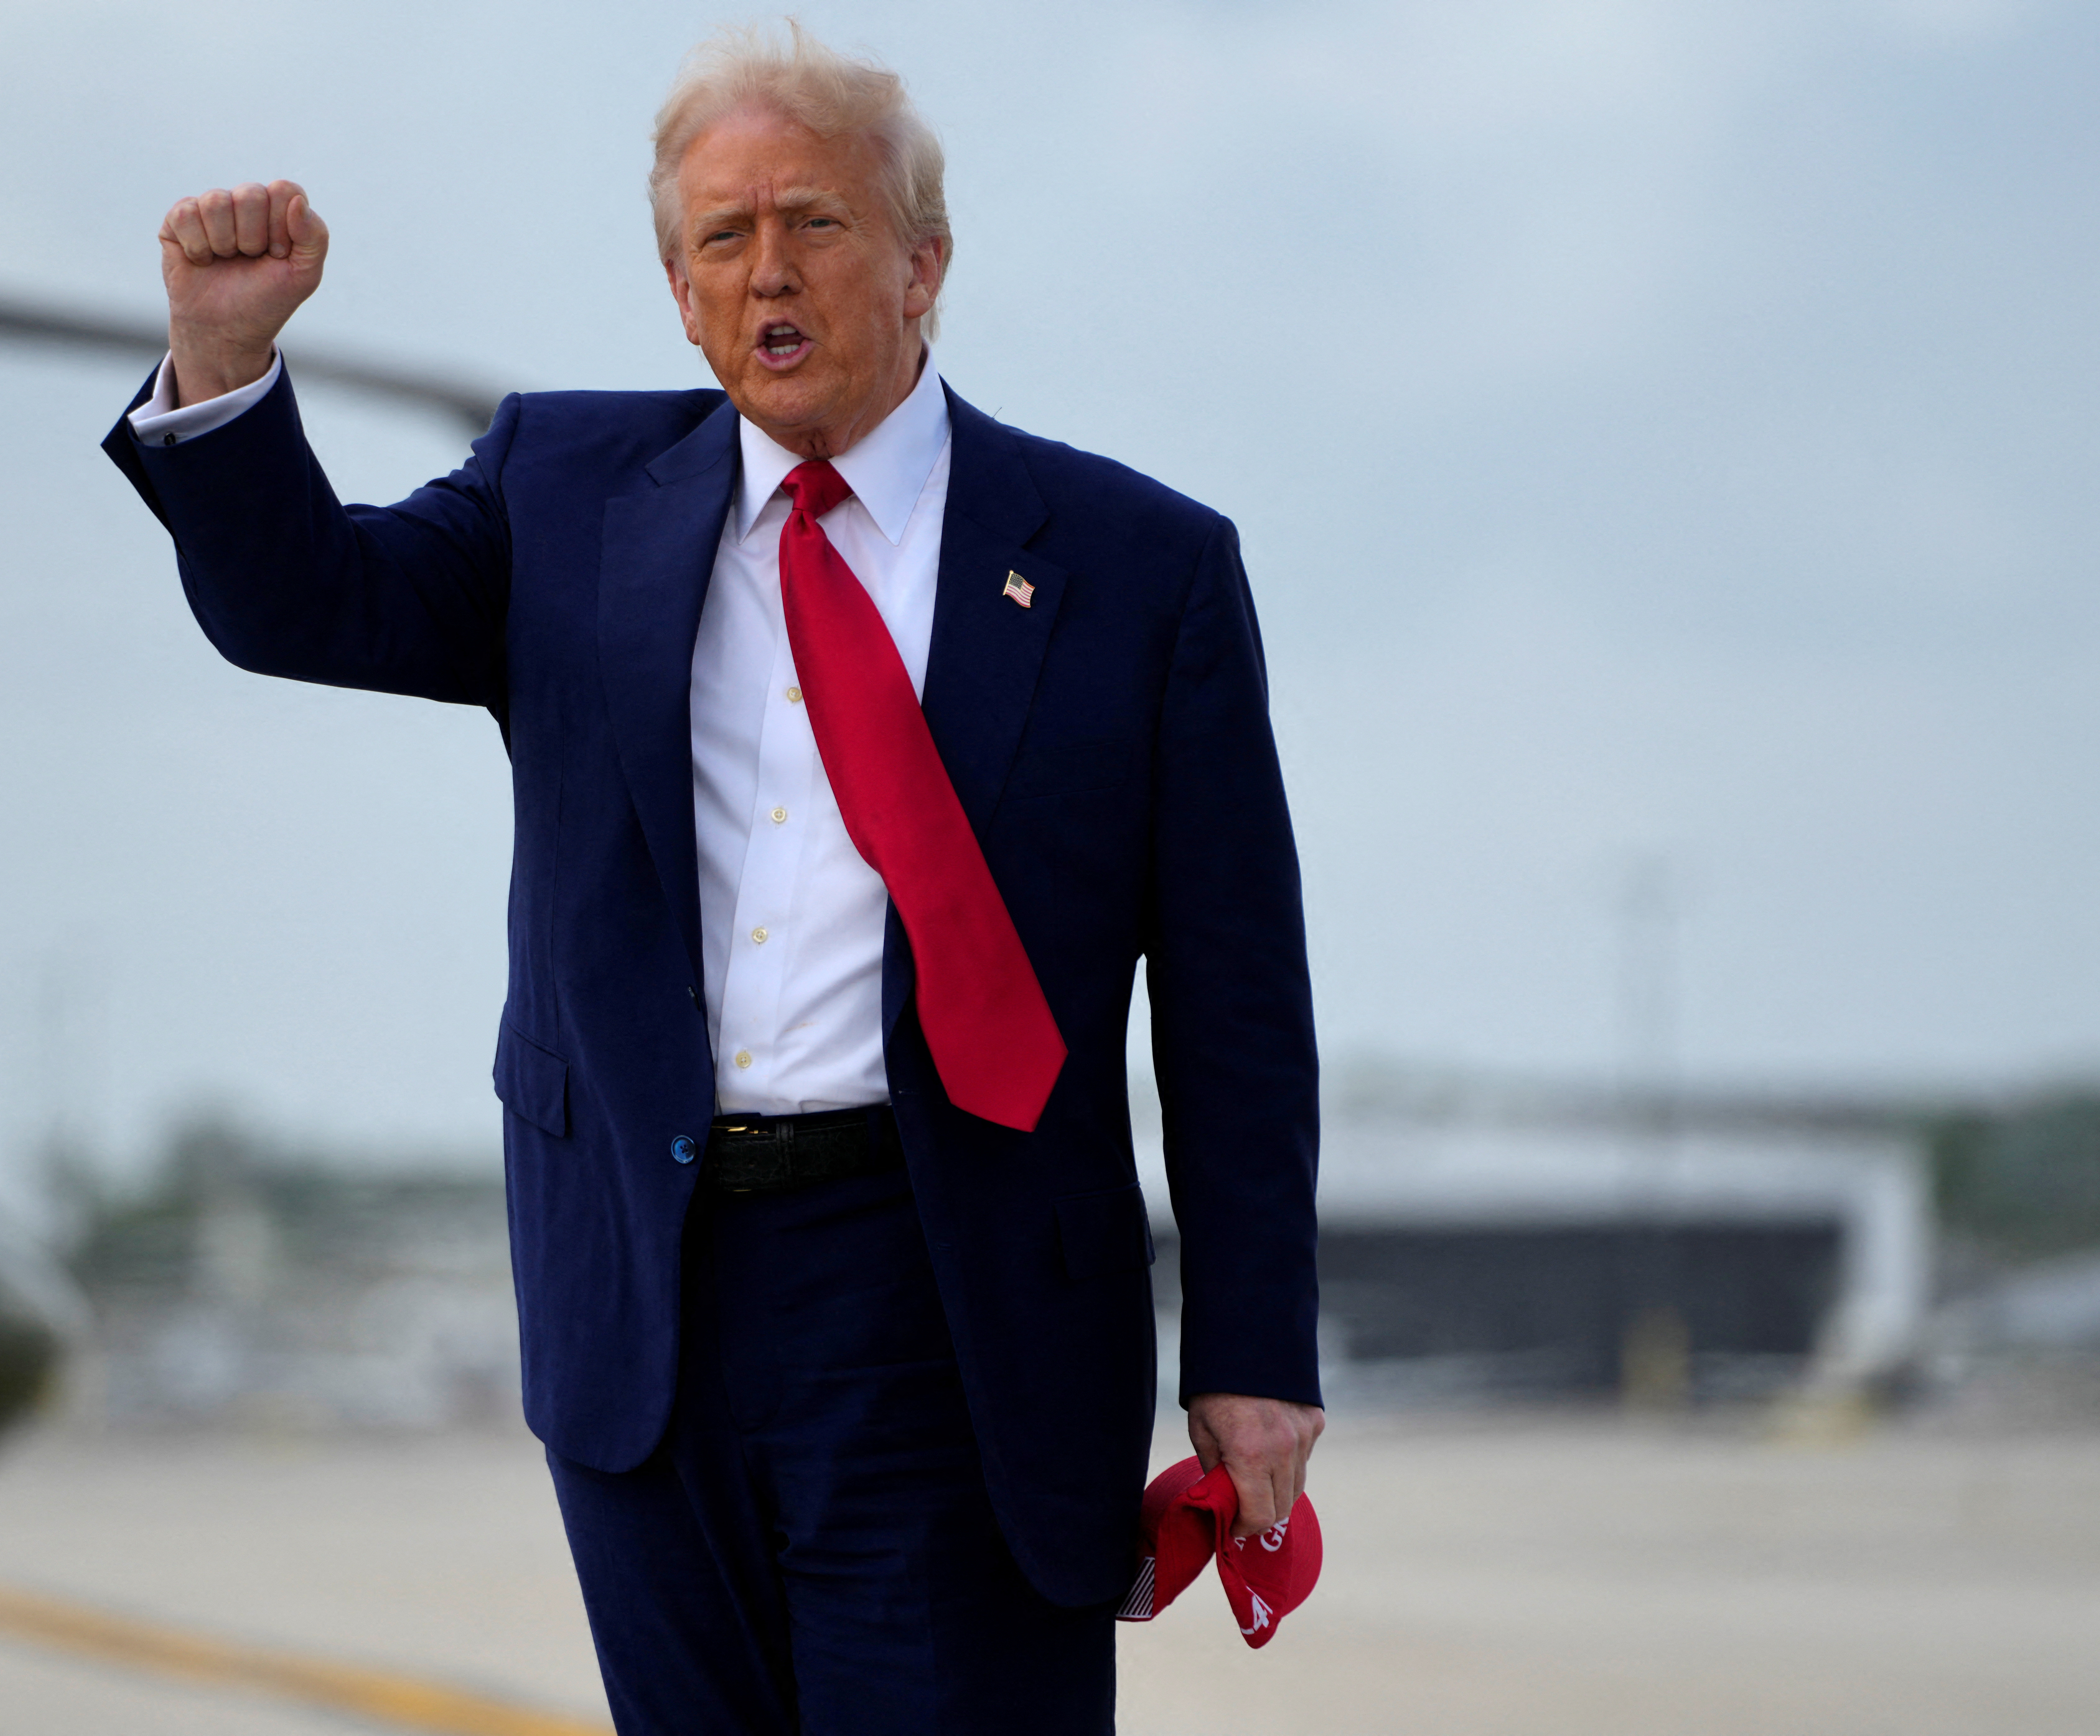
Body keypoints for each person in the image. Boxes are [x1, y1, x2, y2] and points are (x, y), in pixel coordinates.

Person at [103, 25, 1322, 1734]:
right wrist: (222, 371)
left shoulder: (1139, 570)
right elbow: (313, 607)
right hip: (648, 1292)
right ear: (677, 294)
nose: (768, 273)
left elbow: (1234, 995)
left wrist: (1252, 1351)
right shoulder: (561, 493)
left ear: (923, 267)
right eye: (721, 239)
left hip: (949, 1297)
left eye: (813, 224)